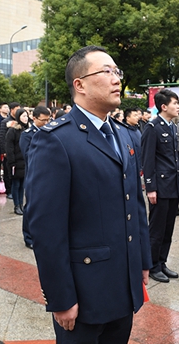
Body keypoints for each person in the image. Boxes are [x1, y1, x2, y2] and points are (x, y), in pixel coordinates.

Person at [26, 46, 151, 342]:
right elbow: (46, 229)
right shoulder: (56, 140)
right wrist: (60, 297)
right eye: (106, 71)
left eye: (117, 71)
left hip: (124, 283)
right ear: (79, 85)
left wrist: (143, 262)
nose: (116, 79)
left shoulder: (125, 135)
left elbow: (135, 204)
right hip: (85, 291)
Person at [142, 88, 179, 283]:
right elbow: (148, 159)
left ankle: (162, 262)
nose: (178, 106)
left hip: (172, 185)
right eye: (175, 103)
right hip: (160, 186)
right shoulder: (153, 127)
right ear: (163, 106)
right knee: (156, 230)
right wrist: (150, 187)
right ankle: (152, 265)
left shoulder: (172, 127)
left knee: (168, 228)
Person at [19, 106, 51, 249]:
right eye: (43, 120)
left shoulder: (50, 131)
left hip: (49, 175)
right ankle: (28, 236)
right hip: (34, 175)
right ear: (34, 118)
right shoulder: (27, 134)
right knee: (30, 207)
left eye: (48, 120)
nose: (46, 123)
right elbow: (28, 155)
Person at [6, 108, 29, 215]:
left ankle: (21, 204)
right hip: (15, 162)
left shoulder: (27, 130)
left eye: (26, 116)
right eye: (23, 116)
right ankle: (16, 205)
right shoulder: (13, 131)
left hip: (24, 161)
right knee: (16, 184)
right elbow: (9, 148)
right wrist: (12, 163)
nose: (26, 118)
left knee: (22, 185)